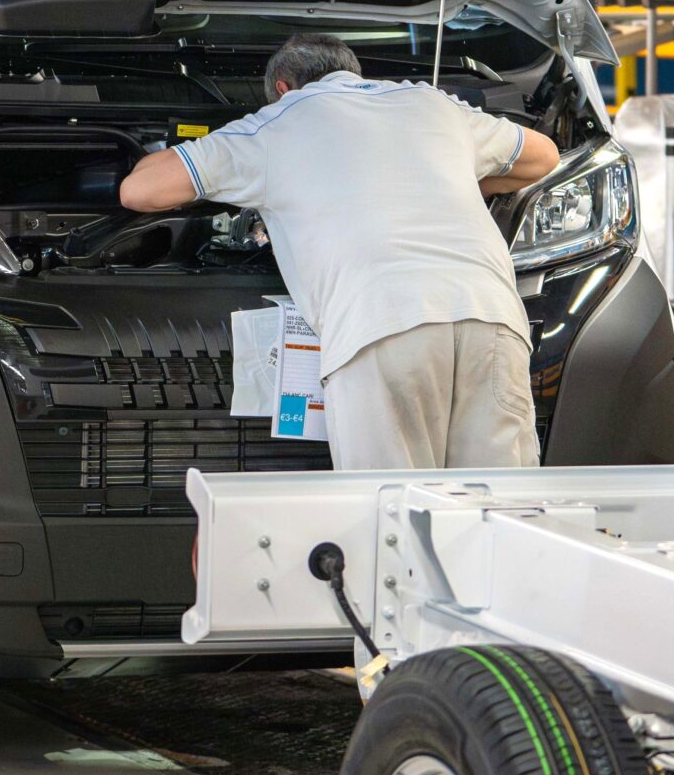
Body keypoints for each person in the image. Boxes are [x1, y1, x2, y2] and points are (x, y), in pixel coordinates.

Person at [117, 34, 561, 470]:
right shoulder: (432, 102)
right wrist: (460, 176)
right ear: (352, 72)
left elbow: (139, 191)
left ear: (283, 89)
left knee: (392, 504)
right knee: (500, 503)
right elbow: (544, 156)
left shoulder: (276, 123)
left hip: (382, 326)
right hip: (493, 317)